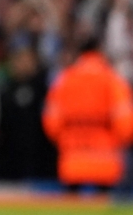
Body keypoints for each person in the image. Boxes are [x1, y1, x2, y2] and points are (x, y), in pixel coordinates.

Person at [43, 37, 133, 191]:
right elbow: (125, 120)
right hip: (105, 157)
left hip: (72, 154)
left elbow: (52, 119)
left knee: (71, 210)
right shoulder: (112, 80)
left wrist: (63, 138)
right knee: (103, 208)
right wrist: (121, 140)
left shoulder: (65, 79)